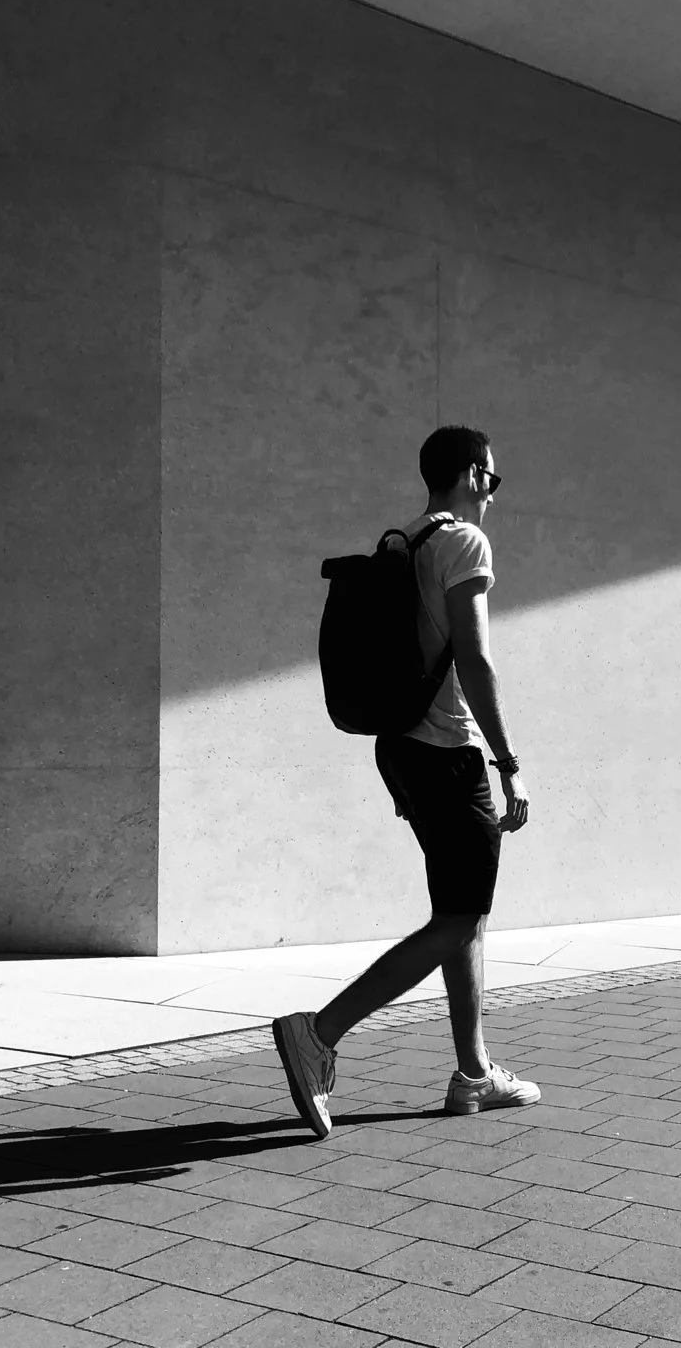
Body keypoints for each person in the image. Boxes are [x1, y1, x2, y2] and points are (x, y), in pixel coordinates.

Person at [273, 425, 540, 1139]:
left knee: (465, 913)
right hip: (449, 751)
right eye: (494, 477)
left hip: (401, 748)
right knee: (457, 918)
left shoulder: (406, 541)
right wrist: (507, 759)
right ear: (474, 474)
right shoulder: (465, 544)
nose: (494, 491)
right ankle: (318, 1034)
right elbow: (476, 661)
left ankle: (474, 1074)